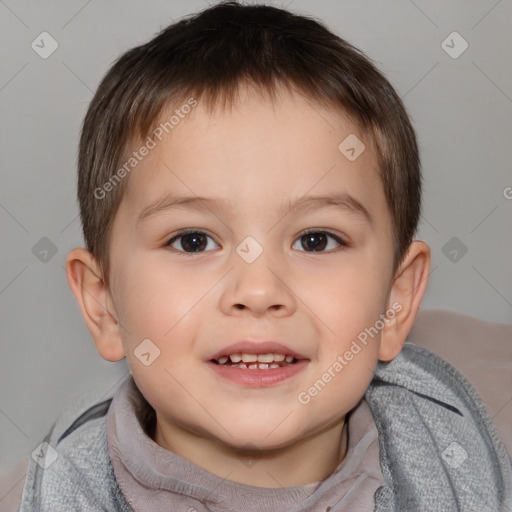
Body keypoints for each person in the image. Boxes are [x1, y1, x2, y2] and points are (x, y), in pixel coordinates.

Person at [18, 2, 511, 510]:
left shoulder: (452, 463)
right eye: (193, 241)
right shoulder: (67, 492)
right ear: (104, 306)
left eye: (316, 240)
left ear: (396, 299)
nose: (258, 291)